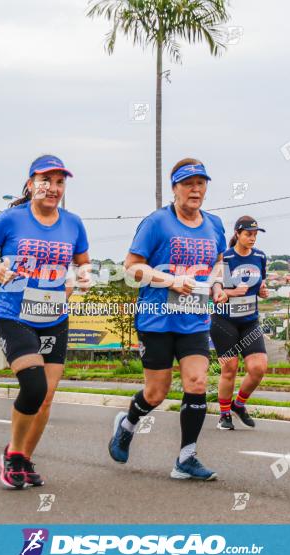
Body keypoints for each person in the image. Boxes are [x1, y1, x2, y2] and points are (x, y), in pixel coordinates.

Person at [0, 154, 91, 489]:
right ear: (30, 184)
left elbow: (82, 260)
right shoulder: (10, 219)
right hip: (14, 314)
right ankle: (13, 456)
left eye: (59, 182)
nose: (53, 188)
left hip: (55, 316)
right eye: (46, 181)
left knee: (47, 396)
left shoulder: (73, 223)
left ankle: (20, 457)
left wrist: (80, 277)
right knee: (34, 385)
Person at [107, 157, 228, 481]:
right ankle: (128, 423)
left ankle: (186, 457)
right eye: (188, 183)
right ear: (175, 188)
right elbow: (132, 266)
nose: (195, 189)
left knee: (197, 382)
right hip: (157, 318)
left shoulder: (214, 224)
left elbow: (218, 260)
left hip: (194, 318)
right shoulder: (156, 223)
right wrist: (170, 281)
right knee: (156, 394)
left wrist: (215, 283)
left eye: (201, 183)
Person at [210, 216, 270, 430]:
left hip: (249, 321)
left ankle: (239, 404)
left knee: (258, 368)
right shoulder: (225, 258)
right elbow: (211, 289)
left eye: (255, 234)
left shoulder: (260, 257)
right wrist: (227, 292)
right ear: (237, 234)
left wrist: (262, 292)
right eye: (248, 234)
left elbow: (260, 284)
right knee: (230, 369)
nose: (252, 238)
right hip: (224, 321)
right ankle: (224, 414)